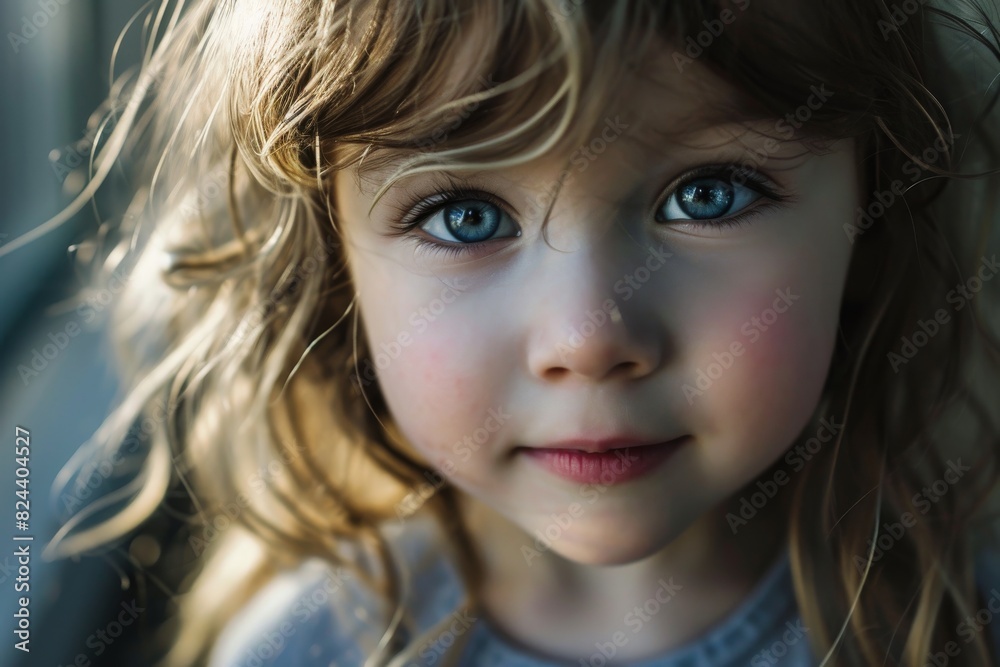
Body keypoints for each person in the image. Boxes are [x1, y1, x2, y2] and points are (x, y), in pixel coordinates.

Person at [15, 0, 1000, 664]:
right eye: (465, 216)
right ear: (336, 273)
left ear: (871, 216)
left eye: (708, 194)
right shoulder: (317, 646)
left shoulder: (957, 623)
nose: (588, 335)